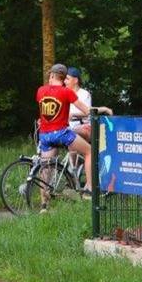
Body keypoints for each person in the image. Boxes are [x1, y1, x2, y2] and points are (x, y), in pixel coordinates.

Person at [35, 64, 94, 209]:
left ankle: (44, 205)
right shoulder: (67, 92)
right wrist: (99, 111)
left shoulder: (40, 91)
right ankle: (89, 190)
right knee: (89, 152)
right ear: (62, 77)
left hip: (44, 135)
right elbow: (86, 111)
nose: (49, 78)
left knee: (45, 167)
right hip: (61, 134)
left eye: (50, 76)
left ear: (53, 76)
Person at [65, 67, 112, 193]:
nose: (64, 81)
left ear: (75, 80)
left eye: (67, 78)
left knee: (71, 134)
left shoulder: (84, 94)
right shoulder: (64, 93)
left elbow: (86, 112)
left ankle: (74, 172)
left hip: (84, 128)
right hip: (69, 127)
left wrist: (72, 115)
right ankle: (71, 173)